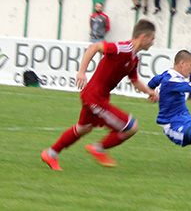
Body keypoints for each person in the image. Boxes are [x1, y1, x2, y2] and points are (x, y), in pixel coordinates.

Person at [41, 19, 158, 170]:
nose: (153, 42)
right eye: (152, 38)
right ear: (143, 37)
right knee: (131, 127)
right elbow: (95, 47)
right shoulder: (123, 48)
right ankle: (98, 148)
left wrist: (150, 92)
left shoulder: (134, 58)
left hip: (97, 96)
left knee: (83, 128)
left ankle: (50, 154)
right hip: (94, 97)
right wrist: (82, 72)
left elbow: (134, 80)